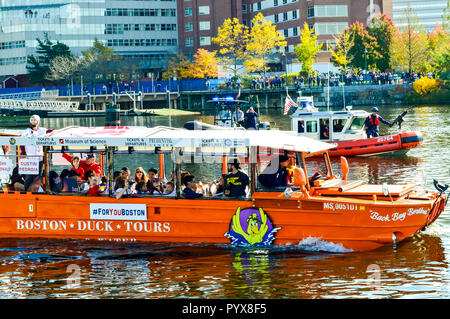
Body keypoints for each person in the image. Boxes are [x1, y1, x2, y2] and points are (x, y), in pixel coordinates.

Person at [21, 115, 47, 190]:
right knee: (28, 177)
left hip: (40, 159)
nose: (32, 121)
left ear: (38, 121)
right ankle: (27, 191)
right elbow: (22, 143)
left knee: (39, 176)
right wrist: (24, 154)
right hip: (30, 159)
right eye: (31, 120)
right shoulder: (26, 132)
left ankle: (38, 190)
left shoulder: (42, 130)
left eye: (34, 120)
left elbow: (50, 131)